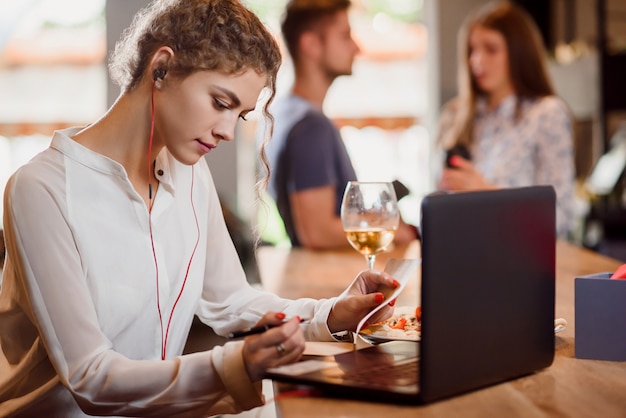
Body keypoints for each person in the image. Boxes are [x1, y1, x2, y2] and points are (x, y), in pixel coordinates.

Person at [0, 1, 401, 416]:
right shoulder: (42, 188)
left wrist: (332, 313)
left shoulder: (189, 173)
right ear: (162, 67)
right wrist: (233, 364)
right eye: (220, 103)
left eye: (241, 115)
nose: (228, 131)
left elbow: (230, 300)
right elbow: (91, 378)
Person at [264, 0, 418, 249]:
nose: (356, 47)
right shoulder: (312, 127)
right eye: (345, 36)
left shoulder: (284, 113)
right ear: (311, 44)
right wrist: (394, 231)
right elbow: (317, 232)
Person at [436, 0, 577, 238]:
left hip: (517, 259)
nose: (476, 61)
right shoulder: (457, 117)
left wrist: (487, 194)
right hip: (461, 249)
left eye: (490, 49)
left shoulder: (546, 115)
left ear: (519, 52)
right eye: (472, 50)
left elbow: (561, 219)